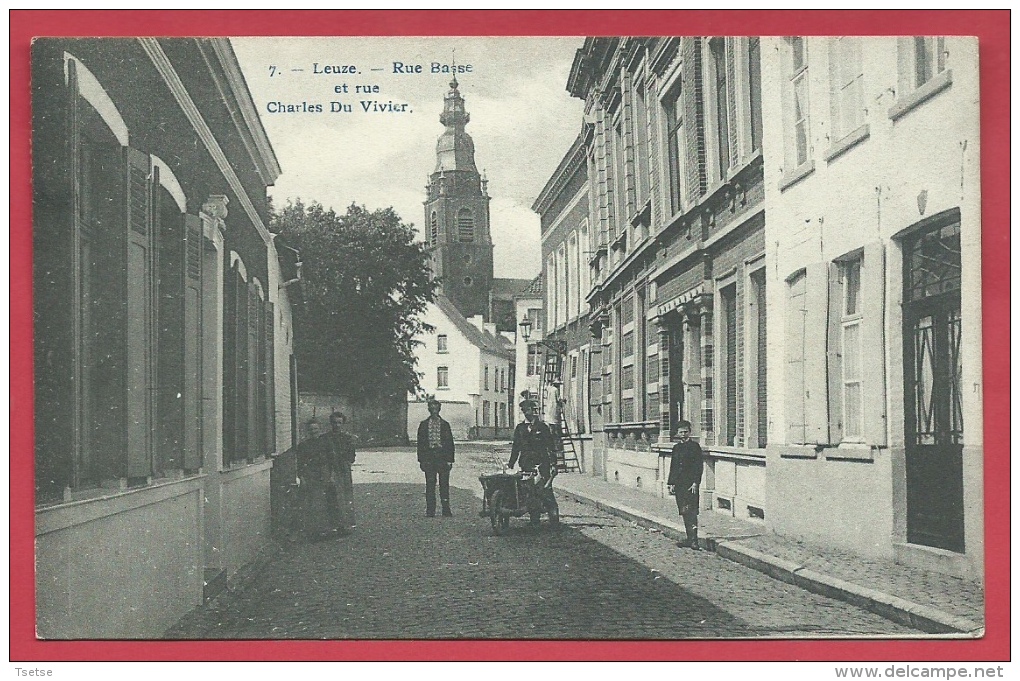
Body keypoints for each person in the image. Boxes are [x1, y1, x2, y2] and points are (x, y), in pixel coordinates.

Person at [508, 399, 559, 524]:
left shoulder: (542, 427)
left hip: (542, 464)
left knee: (545, 490)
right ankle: (534, 519)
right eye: (524, 410)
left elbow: (550, 446)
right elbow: (516, 448)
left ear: (533, 411)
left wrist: (553, 463)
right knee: (529, 491)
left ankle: (554, 516)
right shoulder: (520, 428)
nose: (526, 413)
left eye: (528, 410)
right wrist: (510, 464)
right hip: (526, 463)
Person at [667, 419, 704, 550]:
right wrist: (671, 483)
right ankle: (689, 539)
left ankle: (694, 541)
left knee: (692, 511)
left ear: (690, 432)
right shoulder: (676, 448)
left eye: (686, 432)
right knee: (684, 510)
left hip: (690, 484)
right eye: (681, 432)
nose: (683, 434)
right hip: (679, 484)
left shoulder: (695, 447)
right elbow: (673, 466)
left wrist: (695, 482)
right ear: (677, 433)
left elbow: (699, 466)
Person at [416, 398, 455, 517]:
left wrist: (450, 460)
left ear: (439, 409)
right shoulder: (423, 425)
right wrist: (421, 460)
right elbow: (420, 444)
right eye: (431, 409)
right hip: (429, 457)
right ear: (429, 410)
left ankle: (446, 509)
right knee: (430, 484)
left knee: (444, 484)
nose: (434, 411)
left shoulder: (445, 425)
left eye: (436, 409)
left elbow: (450, 443)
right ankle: (430, 510)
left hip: (442, 457)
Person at [325, 411, 357, 533]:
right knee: (332, 496)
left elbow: (352, 457)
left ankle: (347, 523)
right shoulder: (326, 438)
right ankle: (334, 524)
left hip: (343, 470)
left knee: (345, 495)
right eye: (334, 423)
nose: (337, 425)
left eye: (339, 423)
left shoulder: (347, 438)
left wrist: (344, 460)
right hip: (330, 469)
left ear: (343, 423)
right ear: (331, 423)